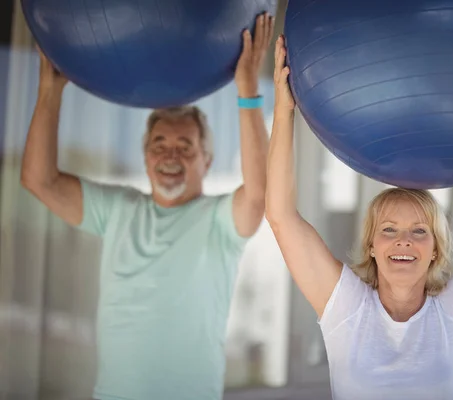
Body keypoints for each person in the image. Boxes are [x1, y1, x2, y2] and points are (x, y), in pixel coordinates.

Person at [266, 35, 453, 400]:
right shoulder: (346, 309)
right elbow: (281, 217)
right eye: (389, 230)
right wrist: (283, 111)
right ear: (372, 246)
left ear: (435, 250)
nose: (404, 240)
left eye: (419, 231)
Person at [20, 12, 275, 400]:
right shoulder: (119, 208)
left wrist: (247, 87)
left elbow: (258, 193)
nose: (170, 155)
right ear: (145, 157)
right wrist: (49, 93)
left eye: (185, 147)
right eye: (159, 145)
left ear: (206, 160)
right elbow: (39, 181)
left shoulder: (219, 221)